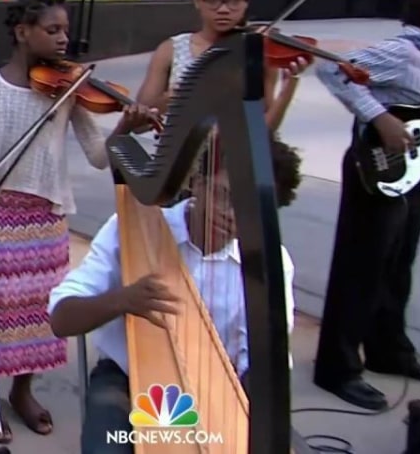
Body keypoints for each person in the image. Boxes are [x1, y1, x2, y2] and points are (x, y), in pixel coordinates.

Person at [0, 0, 155, 441]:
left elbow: (98, 155)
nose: (63, 39)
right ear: (22, 33)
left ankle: (23, 391)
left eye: (65, 31)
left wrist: (125, 129)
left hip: (48, 216)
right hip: (1, 215)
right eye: (52, 30)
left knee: (38, 312)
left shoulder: (70, 87)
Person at [48, 137, 302, 454]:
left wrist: (246, 421)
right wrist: (122, 300)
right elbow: (61, 319)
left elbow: (263, 363)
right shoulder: (129, 228)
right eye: (223, 196)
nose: (232, 215)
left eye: (250, 208)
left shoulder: (271, 263)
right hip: (125, 380)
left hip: (223, 389)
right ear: (197, 183)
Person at [313, 0, 420, 411]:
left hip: (414, 169)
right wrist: (380, 117)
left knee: (399, 263)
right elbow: (332, 68)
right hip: (377, 166)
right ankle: (337, 368)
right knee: (361, 266)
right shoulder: (403, 51)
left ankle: (389, 350)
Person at [136, 0, 306, 133]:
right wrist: (172, 99)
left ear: (246, 1)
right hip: (177, 159)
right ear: (198, 1)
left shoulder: (258, 52)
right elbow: (139, 125)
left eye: (234, 0)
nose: (224, 9)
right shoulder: (171, 50)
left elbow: (264, 132)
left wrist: (290, 86)